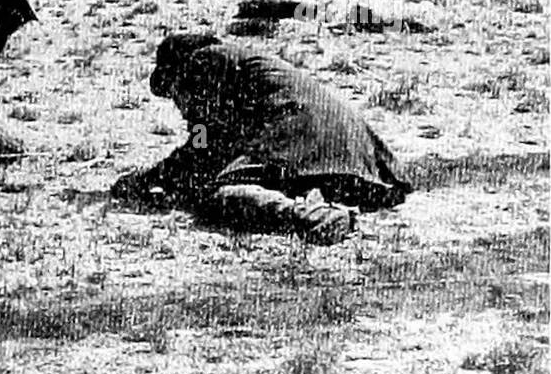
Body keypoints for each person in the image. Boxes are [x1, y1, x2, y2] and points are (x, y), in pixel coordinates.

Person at [111, 32, 412, 243]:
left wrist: (148, 179)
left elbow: (202, 146)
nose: (177, 102)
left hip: (300, 136)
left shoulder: (200, 65)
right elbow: (208, 146)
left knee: (221, 198)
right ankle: (323, 202)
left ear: (177, 73)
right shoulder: (240, 62)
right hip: (356, 153)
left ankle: (312, 218)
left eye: (173, 92)